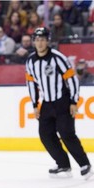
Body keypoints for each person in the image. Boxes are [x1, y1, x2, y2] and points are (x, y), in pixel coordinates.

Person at [25, 27, 92, 179]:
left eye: (43, 39)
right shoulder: (30, 61)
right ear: (34, 41)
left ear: (48, 41)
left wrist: (74, 101)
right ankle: (63, 165)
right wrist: (35, 105)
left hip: (63, 101)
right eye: (37, 39)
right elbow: (31, 84)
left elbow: (72, 79)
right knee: (45, 135)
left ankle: (85, 165)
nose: (40, 43)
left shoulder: (57, 57)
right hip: (46, 103)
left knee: (67, 133)